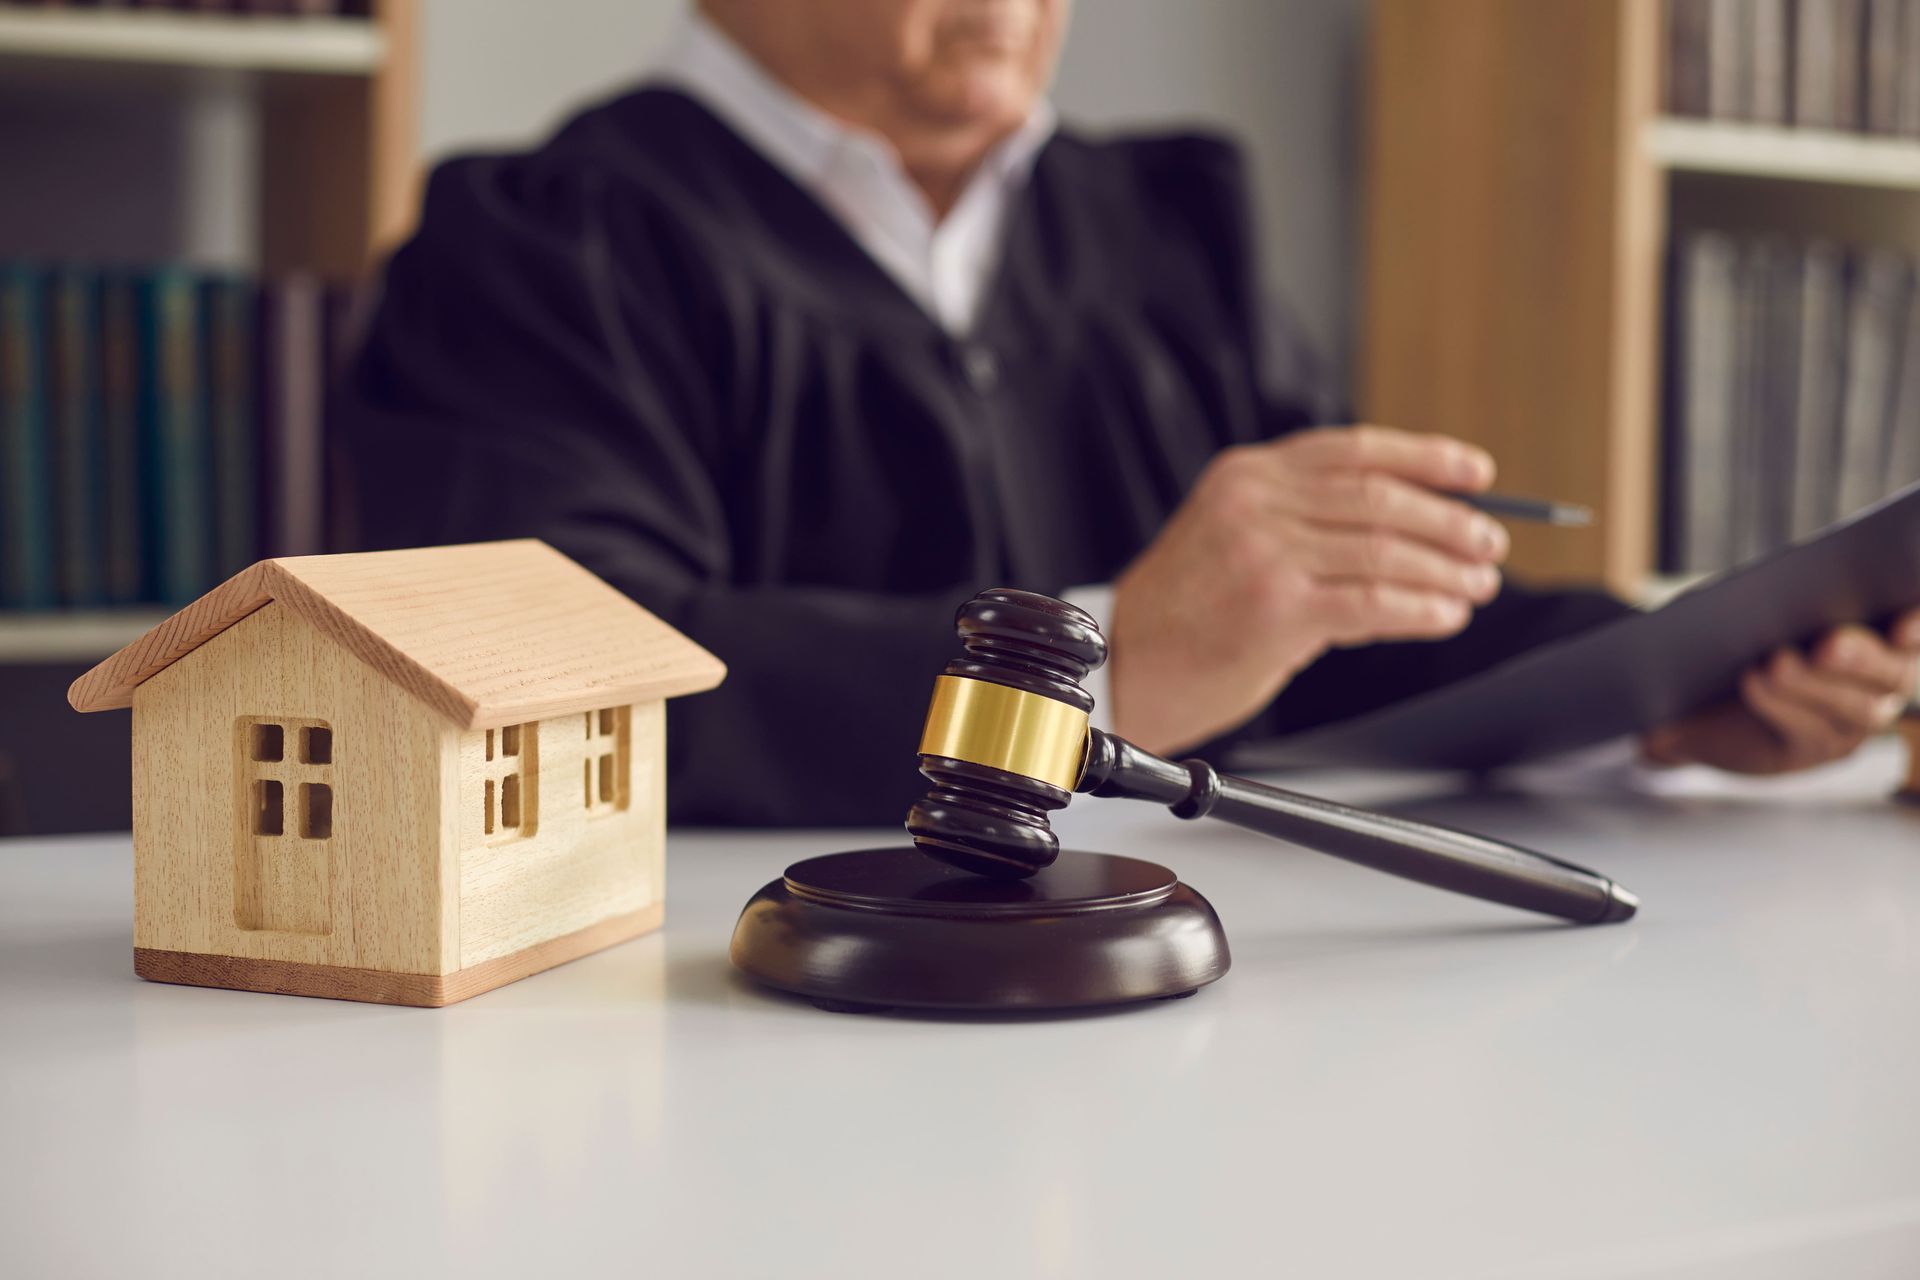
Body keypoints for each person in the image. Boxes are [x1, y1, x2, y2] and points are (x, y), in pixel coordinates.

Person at [336, 0, 1920, 823]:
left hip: (1196, 1029)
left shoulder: (1169, 225)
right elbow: (556, 697)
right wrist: (1105, 662)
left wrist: (1658, 701)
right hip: (746, 1053)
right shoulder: (536, 245)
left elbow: (1336, 636)